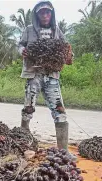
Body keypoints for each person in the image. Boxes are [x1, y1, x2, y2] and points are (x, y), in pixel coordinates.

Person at [18, 1, 75, 159]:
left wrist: (70, 56)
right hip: (33, 74)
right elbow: (20, 45)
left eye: (47, 12)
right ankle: (22, 142)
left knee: (60, 111)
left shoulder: (57, 30)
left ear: (52, 14)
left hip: (52, 76)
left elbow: (67, 48)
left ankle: (63, 151)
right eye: (41, 13)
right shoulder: (29, 30)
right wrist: (22, 50)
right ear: (37, 15)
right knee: (28, 108)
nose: (45, 15)